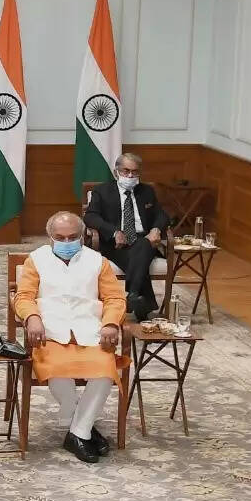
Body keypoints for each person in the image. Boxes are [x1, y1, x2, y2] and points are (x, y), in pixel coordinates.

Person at [14, 211, 129, 464]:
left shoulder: (98, 261)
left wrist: (111, 323)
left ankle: (77, 431)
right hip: (50, 332)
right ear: (50, 237)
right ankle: (82, 429)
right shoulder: (36, 260)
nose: (67, 242)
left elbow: (114, 298)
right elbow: (23, 297)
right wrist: (32, 317)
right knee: (57, 367)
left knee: (105, 368)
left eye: (72, 237)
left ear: (83, 236)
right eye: (60, 237)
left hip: (90, 331)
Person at [83, 152, 171, 320]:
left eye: (135, 172)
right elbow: (91, 216)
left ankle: (133, 294)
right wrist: (114, 232)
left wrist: (156, 229)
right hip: (115, 245)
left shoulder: (147, 191)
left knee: (143, 244)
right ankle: (141, 303)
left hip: (143, 239)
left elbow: (162, 215)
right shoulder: (102, 191)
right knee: (141, 254)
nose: (130, 175)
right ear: (116, 171)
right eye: (126, 171)